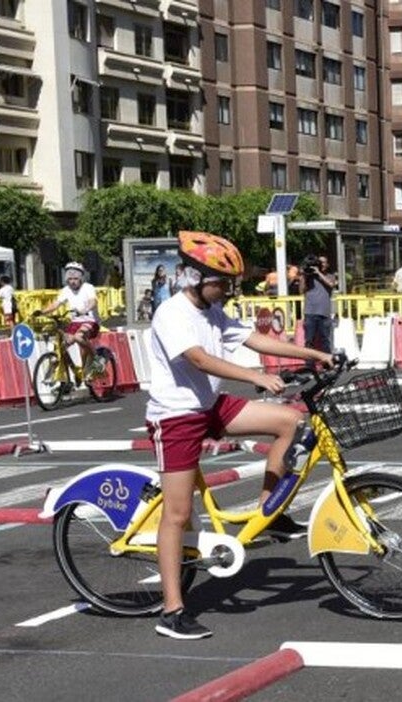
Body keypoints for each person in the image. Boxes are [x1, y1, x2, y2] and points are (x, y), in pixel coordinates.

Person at [148, 231, 333, 640]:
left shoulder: (214, 311)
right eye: (221, 282)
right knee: (177, 515)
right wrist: (255, 376)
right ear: (196, 277)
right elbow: (198, 359)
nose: (228, 290)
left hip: (210, 406)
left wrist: (315, 353)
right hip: (176, 416)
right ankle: (172, 611)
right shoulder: (173, 313)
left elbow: (255, 338)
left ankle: (269, 512)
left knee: (288, 421)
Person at [40, 262, 100, 373]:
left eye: (75, 278)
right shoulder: (65, 290)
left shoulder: (88, 288)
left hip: (90, 321)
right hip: (75, 323)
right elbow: (56, 304)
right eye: (70, 278)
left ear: (81, 278)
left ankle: (97, 358)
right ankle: (70, 375)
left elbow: (93, 302)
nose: (72, 281)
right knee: (61, 346)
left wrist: (85, 310)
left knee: (78, 337)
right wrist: (42, 312)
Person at [300, 254, 336, 359]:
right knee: (309, 340)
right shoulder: (308, 276)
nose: (321, 264)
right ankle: (309, 364)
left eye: (323, 262)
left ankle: (327, 363)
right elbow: (301, 290)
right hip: (310, 312)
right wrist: (304, 276)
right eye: (319, 262)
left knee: (325, 340)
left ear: (327, 265)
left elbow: (331, 284)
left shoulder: (330, 276)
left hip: (324, 313)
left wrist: (319, 273)